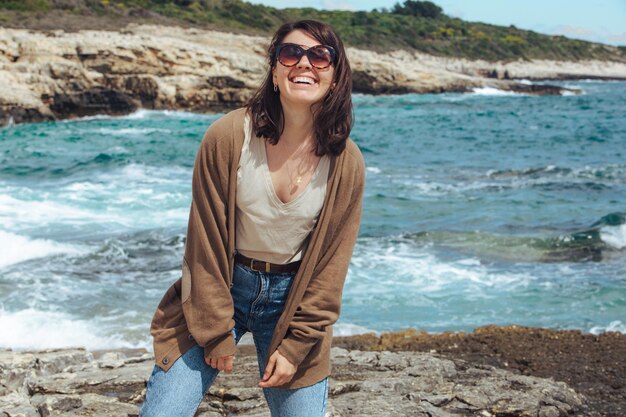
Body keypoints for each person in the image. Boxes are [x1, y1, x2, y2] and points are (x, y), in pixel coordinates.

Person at [140, 19, 365, 417]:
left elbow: (331, 268)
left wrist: (296, 346)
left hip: (291, 302)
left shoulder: (346, 163)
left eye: (320, 56)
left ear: (335, 76)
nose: (304, 64)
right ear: (275, 71)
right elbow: (203, 245)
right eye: (291, 53)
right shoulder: (227, 136)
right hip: (220, 288)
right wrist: (214, 334)